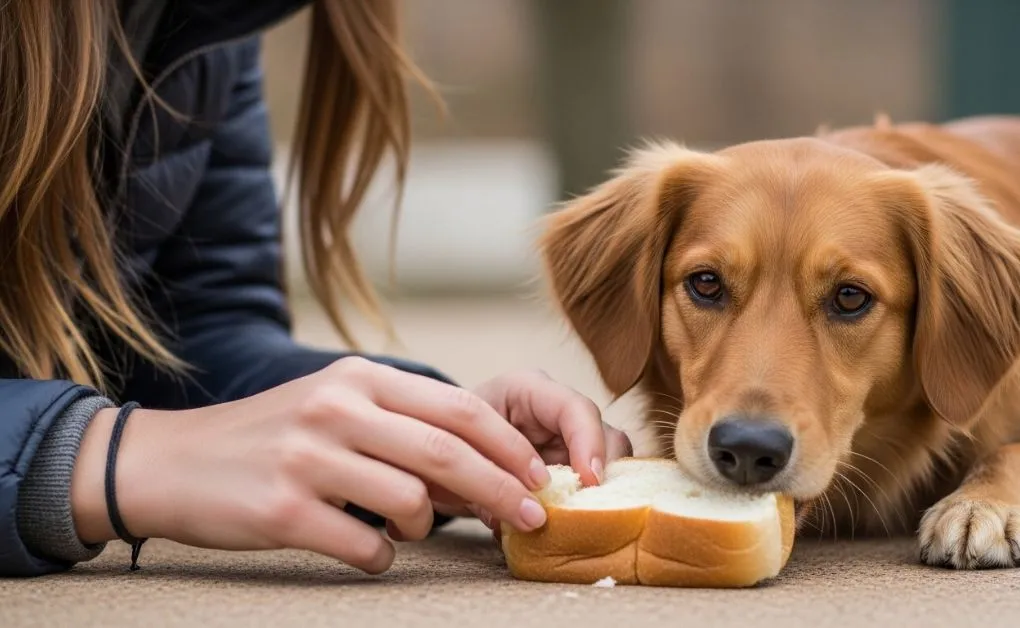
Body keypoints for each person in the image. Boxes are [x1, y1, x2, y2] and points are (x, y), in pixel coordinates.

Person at [0, 0, 631, 577]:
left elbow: (194, 331)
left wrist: (418, 430)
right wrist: (108, 461)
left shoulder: (218, 25)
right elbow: (153, 440)